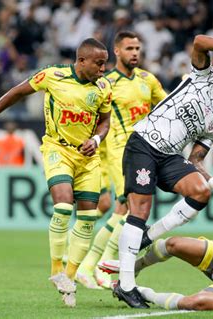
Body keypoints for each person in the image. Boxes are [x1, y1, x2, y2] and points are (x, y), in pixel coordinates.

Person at [114, 34, 213, 308]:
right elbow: (198, 41)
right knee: (140, 209)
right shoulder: (204, 79)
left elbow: (196, 159)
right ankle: (126, 285)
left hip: (169, 156)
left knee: (201, 192)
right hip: (145, 143)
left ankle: (149, 236)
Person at [0, 38, 113, 307]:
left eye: (105, 63)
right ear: (81, 61)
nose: (103, 69)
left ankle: (69, 279)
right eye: (99, 63)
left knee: (86, 218)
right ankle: (55, 271)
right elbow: (17, 92)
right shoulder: (53, 75)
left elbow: (105, 120)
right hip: (57, 149)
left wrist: (96, 140)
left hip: (88, 158)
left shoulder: (104, 87)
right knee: (62, 206)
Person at [76, 31, 167, 289]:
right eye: (129, 48)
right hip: (118, 151)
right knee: (126, 207)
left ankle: (89, 266)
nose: (135, 53)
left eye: (138, 48)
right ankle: (99, 264)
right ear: (117, 51)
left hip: (144, 151)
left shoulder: (148, 80)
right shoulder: (107, 82)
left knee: (122, 209)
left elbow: (167, 105)